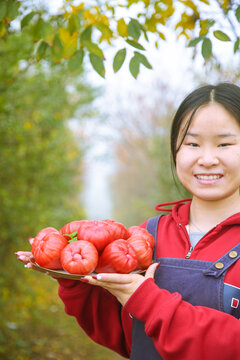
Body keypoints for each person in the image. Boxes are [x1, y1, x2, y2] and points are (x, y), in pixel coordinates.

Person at [16, 82, 240, 360]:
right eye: (192, 143)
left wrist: (151, 302)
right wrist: (72, 276)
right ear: (175, 151)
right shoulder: (149, 234)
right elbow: (126, 336)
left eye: (224, 144)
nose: (207, 159)